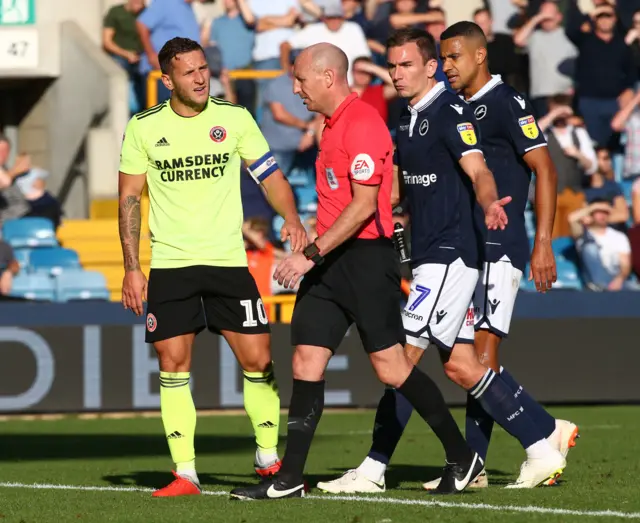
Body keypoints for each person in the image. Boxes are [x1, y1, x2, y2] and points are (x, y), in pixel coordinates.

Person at [229, 42, 485, 500]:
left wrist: (309, 253)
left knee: (391, 369)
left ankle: (462, 456)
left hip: (365, 261)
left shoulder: (363, 123)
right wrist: (310, 241)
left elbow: (366, 205)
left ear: (328, 78)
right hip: (329, 261)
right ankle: (289, 478)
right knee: (306, 360)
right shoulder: (330, 126)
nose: (296, 89)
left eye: (301, 80)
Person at [318, 27, 568, 494]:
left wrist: (492, 203)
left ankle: (374, 469)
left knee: (402, 358)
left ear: (430, 66)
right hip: (430, 253)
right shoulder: (408, 116)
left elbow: (480, 169)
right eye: (391, 65)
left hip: (452, 255)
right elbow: (403, 186)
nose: (396, 74)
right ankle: (540, 443)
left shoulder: (453, 112)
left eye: (406, 64)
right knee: (461, 365)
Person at [118, 37, 307, 497]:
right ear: (167, 80)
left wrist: (293, 218)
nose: (201, 78)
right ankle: (186, 473)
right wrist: (131, 267)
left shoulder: (235, 118)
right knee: (172, 363)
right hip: (171, 264)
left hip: (227, 262)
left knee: (259, 361)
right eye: (189, 72)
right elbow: (129, 200)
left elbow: (270, 176)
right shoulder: (143, 127)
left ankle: (267, 457)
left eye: (204, 68)